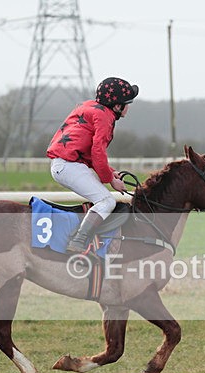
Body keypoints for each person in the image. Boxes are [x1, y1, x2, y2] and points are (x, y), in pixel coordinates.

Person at [47, 77, 138, 252]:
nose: (129, 107)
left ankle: (85, 236)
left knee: (102, 199)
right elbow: (97, 153)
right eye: (127, 103)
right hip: (69, 166)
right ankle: (78, 241)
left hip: (67, 164)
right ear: (117, 106)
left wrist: (110, 172)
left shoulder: (89, 107)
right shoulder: (105, 118)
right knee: (106, 201)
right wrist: (111, 180)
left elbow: (87, 151)